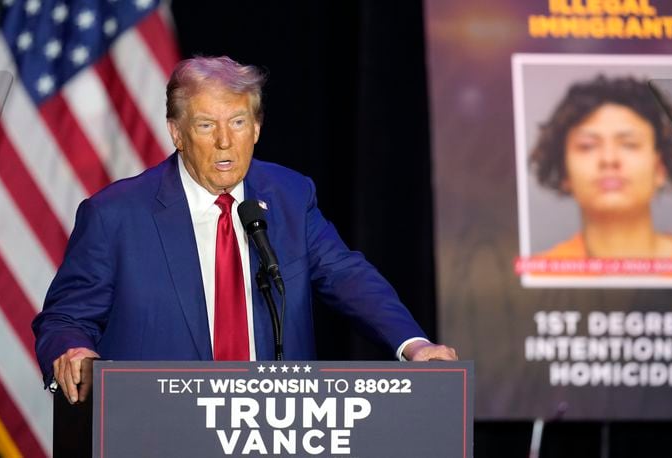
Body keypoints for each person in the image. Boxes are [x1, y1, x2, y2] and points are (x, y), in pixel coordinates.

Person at [32, 56, 457, 405]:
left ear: (256, 128)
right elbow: (64, 318)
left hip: (273, 428)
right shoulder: (115, 215)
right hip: (159, 429)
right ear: (176, 133)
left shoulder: (289, 195)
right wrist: (73, 351)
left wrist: (413, 344)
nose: (224, 141)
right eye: (205, 125)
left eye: (237, 122)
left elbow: (346, 275)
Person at [529, 74, 672, 259]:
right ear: (564, 172)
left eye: (629, 144)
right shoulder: (542, 272)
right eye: (587, 145)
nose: (609, 159)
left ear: (660, 167)